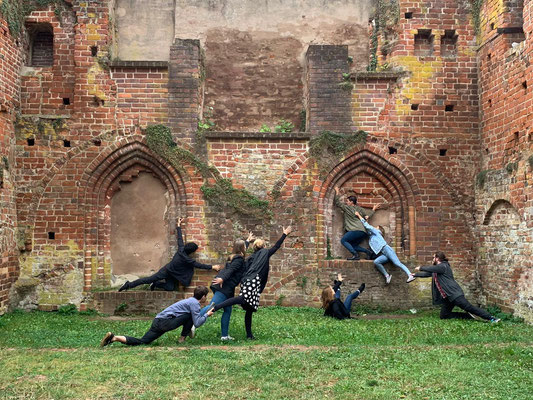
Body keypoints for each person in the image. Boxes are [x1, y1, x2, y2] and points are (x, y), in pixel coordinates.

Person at [211, 226, 292, 340]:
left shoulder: (251, 257)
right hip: (253, 281)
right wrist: (284, 234)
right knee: (242, 299)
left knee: (249, 308)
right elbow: (276, 246)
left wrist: (247, 241)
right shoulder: (265, 253)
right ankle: (216, 307)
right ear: (263, 246)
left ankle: (249, 335)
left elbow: (241, 253)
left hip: (248, 281)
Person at [118, 217, 221, 292]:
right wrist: (213, 266)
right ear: (192, 252)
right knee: (147, 279)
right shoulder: (186, 259)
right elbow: (199, 265)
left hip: (173, 274)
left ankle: (156, 284)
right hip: (166, 271)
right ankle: (128, 285)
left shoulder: (181, 249)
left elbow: (179, 239)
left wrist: (178, 226)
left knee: (170, 288)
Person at [100, 285, 214, 347]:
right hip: (165, 322)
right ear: (203, 296)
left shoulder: (189, 300)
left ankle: (114, 338)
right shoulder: (194, 304)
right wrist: (207, 315)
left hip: (158, 320)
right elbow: (198, 322)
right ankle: (182, 339)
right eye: (206, 296)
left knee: (143, 341)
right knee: (190, 316)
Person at [413, 252, 500, 323]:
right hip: (448, 297)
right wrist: (415, 275)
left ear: (437, 258)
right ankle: (467, 316)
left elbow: (430, 269)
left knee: (469, 307)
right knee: (444, 316)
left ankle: (491, 318)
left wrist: (421, 267)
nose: (432, 260)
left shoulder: (443, 266)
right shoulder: (437, 270)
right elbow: (427, 274)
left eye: (433, 258)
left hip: (455, 294)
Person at [198, 232, 255, 341]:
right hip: (224, 286)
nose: (246, 248)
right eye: (244, 246)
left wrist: (247, 240)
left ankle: (224, 336)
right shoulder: (238, 259)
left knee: (227, 310)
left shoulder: (235, 256)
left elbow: (241, 250)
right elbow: (230, 270)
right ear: (241, 248)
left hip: (227, 288)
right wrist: (222, 278)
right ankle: (192, 322)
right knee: (212, 306)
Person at [355, 211, 416, 284]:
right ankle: (387, 275)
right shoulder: (372, 236)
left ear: (379, 230)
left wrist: (359, 215)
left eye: (376, 227)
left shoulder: (377, 232)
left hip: (387, 249)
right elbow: (367, 228)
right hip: (383, 253)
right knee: (376, 262)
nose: (374, 227)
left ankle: (410, 275)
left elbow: (367, 226)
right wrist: (367, 219)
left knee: (397, 263)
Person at [334, 186, 379, 260]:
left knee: (343, 240)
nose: (346, 202)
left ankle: (355, 255)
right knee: (353, 245)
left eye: (347, 201)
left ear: (351, 202)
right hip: (363, 232)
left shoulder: (347, 208)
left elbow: (337, 203)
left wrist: (337, 192)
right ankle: (368, 252)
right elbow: (367, 217)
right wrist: (373, 210)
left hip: (355, 230)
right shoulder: (360, 209)